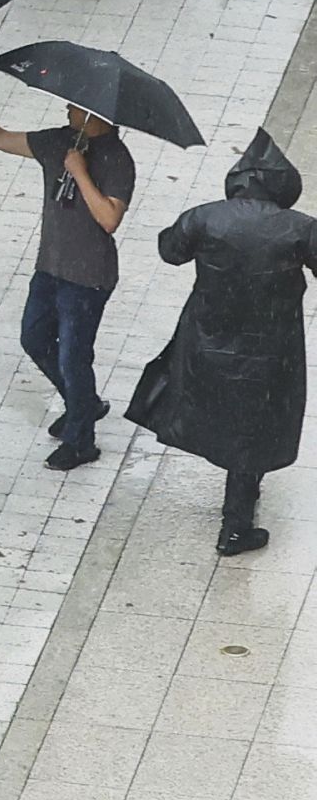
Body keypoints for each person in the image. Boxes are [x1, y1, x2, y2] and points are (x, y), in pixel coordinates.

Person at [0, 83, 135, 467]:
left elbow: (109, 218)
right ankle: (83, 403)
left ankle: (81, 441)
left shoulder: (117, 159)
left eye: (75, 104)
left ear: (95, 114)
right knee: (34, 338)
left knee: (74, 358)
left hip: (88, 278)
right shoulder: (59, 141)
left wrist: (80, 172)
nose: (68, 107)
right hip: (49, 267)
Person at [130, 126, 317, 554]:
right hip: (271, 346)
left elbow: (170, 251)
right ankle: (236, 524)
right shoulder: (300, 229)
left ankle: (237, 502)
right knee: (257, 423)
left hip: (208, 337)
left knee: (214, 408)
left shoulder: (205, 217)